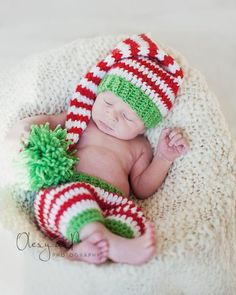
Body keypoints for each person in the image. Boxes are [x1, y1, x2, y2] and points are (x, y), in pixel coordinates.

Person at [6, 33, 189, 265]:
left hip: (110, 203)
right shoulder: (80, 119)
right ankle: (100, 238)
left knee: (134, 220)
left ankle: (88, 249)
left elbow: (142, 188)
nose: (111, 116)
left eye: (127, 117)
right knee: (66, 198)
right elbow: (48, 122)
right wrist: (24, 130)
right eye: (108, 102)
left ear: (145, 126)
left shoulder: (139, 146)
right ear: (98, 93)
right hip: (68, 192)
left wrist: (163, 157)